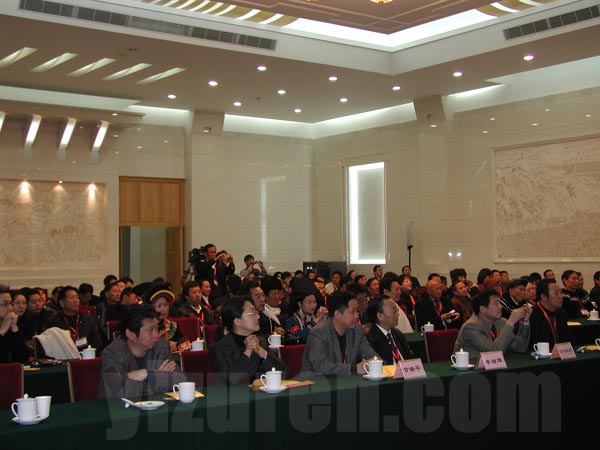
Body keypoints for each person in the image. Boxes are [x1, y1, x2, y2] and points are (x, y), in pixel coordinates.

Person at [98, 304, 186, 399]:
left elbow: (180, 380)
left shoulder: (160, 347)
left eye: (157, 328)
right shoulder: (113, 353)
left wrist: (145, 374)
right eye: (150, 330)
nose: (156, 335)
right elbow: (119, 391)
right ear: (130, 334)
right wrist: (156, 376)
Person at [208, 296, 287, 385]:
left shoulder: (260, 342)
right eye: (252, 313)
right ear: (237, 321)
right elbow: (231, 382)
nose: (258, 316)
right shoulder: (218, 349)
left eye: (256, 312)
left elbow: (284, 373)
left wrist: (262, 353)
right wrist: (248, 351)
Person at [301, 291, 378, 376]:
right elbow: (321, 367)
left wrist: (376, 363)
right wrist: (354, 368)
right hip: (317, 381)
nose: (356, 316)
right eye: (353, 311)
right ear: (337, 314)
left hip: (346, 381)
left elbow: (371, 355)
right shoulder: (318, 333)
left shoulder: (356, 330)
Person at [454, 289, 531, 360]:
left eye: (500, 303)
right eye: (496, 303)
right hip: (472, 368)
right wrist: (511, 322)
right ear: (482, 309)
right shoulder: (471, 327)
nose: (500, 306)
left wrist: (525, 322)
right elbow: (494, 352)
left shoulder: (501, 322)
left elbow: (519, 348)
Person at [46, 286, 103, 352]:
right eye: (71, 298)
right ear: (62, 303)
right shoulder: (53, 322)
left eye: (77, 297)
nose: (76, 301)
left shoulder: (89, 320)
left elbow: (97, 343)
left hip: (86, 354)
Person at [365, 294, 414, 365]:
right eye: (394, 311)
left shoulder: (398, 334)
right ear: (380, 316)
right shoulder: (370, 338)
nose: (398, 314)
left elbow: (410, 358)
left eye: (397, 310)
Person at [528, 278, 571, 350]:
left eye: (561, 293)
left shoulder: (561, 313)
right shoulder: (532, 315)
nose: (561, 296)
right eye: (556, 293)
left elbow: (567, 337)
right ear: (543, 297)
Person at [148, 286, 190, 352]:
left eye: (166, 305)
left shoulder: (172, 326)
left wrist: (177, 346)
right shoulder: (144, 328)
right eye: (159, 306)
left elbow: (185, 344)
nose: (163, 309)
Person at [0, 291, 28, 363]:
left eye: (10, 304)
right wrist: (1, 332)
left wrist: (14, 329)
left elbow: (23, 358)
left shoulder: (8, 323)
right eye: (5, 304)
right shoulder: (4, 326)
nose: (10, 308)